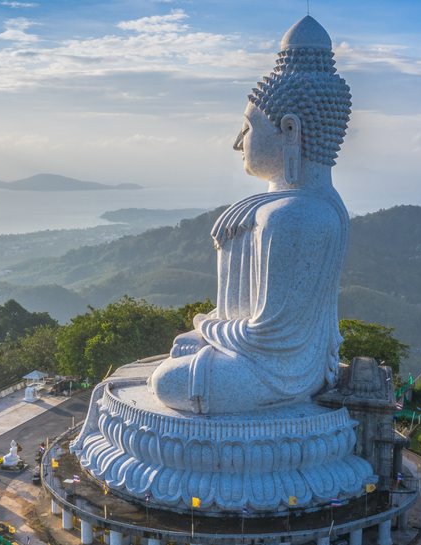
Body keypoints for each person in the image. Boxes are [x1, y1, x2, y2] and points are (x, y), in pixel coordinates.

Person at [148, 16, 352, 414]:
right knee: (177, 364)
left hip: (281, 373)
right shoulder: (301, 206)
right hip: (260, 359)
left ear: (290, 132)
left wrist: (207, 327)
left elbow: (270, 339)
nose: (237, 142)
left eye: (247, 127)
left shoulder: (294, 217)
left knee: (167, 382)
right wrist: (213, 334)